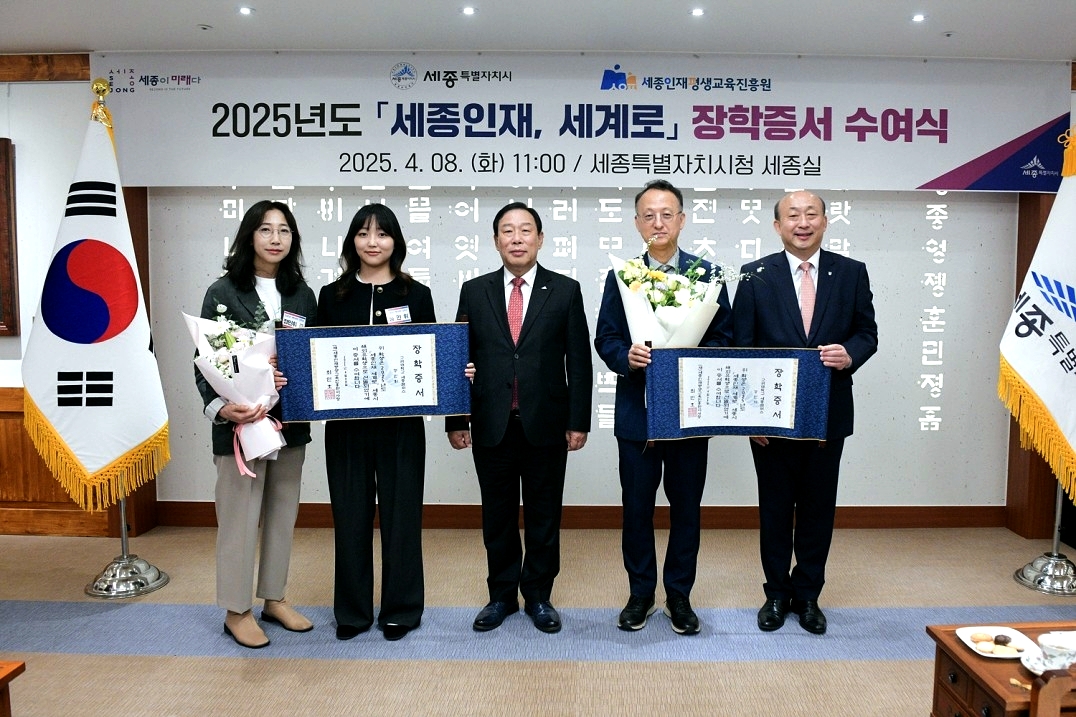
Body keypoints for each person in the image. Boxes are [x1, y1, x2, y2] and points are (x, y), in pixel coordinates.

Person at [730, 190, 877, 635]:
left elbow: (867, 333)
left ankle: (809, 595)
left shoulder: (851, 272)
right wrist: (750, 417)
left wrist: (849, 353)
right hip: (770, 417)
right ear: (778, 226)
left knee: (818, 508)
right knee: (775, 509)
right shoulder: (755, 275)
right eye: (792, 215)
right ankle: (776, 593)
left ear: (825, 221)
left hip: (828, 413)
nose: (803, 222)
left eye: (811, 214)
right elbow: (741, 348)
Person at [446, 202, 592, 634]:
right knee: (498, 516)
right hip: (491, 422)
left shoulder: (565, 290)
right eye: (507, 231)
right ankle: (501, 596)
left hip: (546, 423)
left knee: (545, 515)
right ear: (496, 241)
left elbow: (579, 361)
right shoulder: (475, 291)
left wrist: (579, 421)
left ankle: (539, 596)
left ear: (540, 239)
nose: (516, 238)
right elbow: (457, 356)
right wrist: (456, 419)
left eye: (525, 230)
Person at [594, 179, 732, 636]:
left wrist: (693, 357)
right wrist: (626, 358)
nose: (658, 223)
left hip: (690, 414)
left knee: (686, 508)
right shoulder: (623, 275)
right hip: (637, 415)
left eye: (667, 214)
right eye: (649, 215)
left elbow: (725, 338)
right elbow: (606, 338)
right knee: (636, 508)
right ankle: (640, 594)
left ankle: (679, 595)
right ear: (637, 223)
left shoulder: (708, 275)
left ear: (682, 220)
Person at [195, 200, 318, 649]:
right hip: (239, 427)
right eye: (266, 229)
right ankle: (236, 610)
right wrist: (221, 408)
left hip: (288, 424)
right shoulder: (223, 292)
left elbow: (311, 356)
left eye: (284, 230)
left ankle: (274, 598)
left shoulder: (302, 294)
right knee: (240, 519)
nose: (275, 238)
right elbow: (204, 360)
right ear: (250, 236)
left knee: (283, 515)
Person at [317, 203, 436, 642]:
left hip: (401, 427)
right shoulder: (332, 295)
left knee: (402, 518)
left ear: (395, 242)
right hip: (345, 428)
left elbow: (433, 354)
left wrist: (455, 371)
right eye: (364, 233)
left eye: (382, 234)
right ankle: (352, 611)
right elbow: (314, 358)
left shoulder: (416, 293)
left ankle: (401, 609)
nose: (373, 242)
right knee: (350, 517)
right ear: (352, 241)